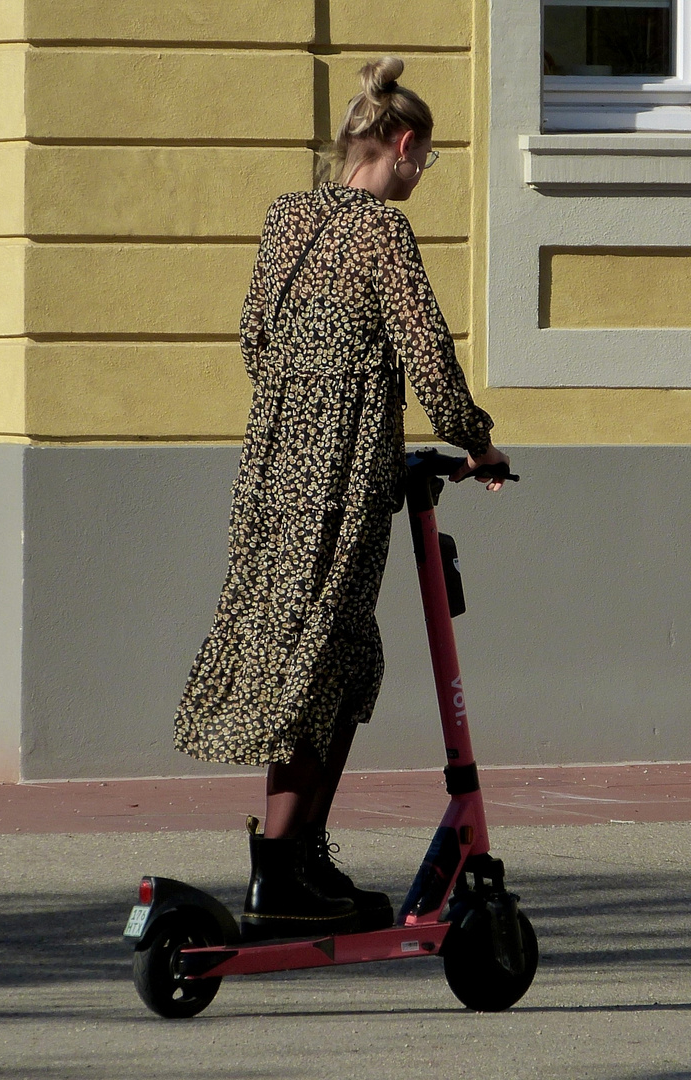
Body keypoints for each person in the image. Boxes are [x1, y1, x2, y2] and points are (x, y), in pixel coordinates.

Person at [173, 56, 512, 941]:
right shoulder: (380, 235)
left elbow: (253, 338)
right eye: (424, 162)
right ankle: (287, 866)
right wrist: (476, 443)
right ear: (401, 145)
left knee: (300, 654)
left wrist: (306, 398)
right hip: (340, 474)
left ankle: (292, 859)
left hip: (273, 469)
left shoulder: (287, 217)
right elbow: (428, 352)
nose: (419, 178)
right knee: (336, 660)